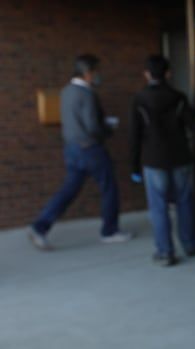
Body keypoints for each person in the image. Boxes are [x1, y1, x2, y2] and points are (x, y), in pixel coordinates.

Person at [29, 54, 133, 250]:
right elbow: (93, 127)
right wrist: (108, 128)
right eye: (96, 72)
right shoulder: (87, 94)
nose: (98, 76)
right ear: (88, 73)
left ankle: (39, 227)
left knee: (68, 190)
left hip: (71, 148)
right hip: (90, 149)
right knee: (109, 188)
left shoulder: (66, 91)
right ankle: (110, 231)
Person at [130, 55, 195, 267]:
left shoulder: (139, 99)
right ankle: (189, 244)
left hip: (153, 160)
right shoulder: (178, 97)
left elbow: (135, 135)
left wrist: (134, 167)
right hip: (180, 157)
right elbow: (194, 124)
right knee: (185, 203)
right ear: (168, 73)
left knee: (158, 207)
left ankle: (165, 251)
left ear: (147, 74)